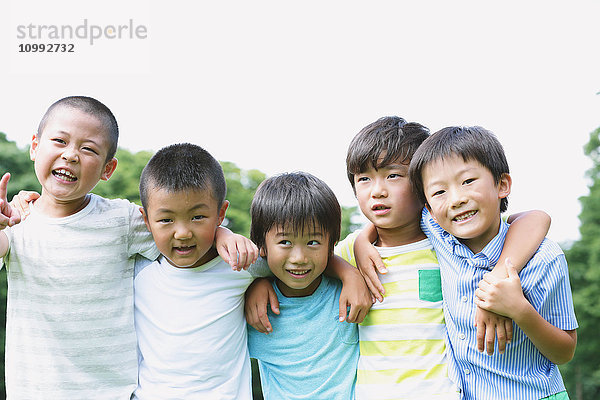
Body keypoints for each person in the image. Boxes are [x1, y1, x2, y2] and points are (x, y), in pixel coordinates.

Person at [0, 97, 255, 399]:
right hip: (33, 392)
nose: (70, 155)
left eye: (88, 148)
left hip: (113, 393)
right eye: (59, 141)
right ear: (34, 147)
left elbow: (179, 230)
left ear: (108, 169)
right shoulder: (16, 222)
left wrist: (221, 234)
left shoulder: (122, 220)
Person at [406, 126, 577, 399]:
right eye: (439, 192)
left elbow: (565, 351)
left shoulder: (544, 259)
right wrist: (363, 241)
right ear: (428, 209)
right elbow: (387, 221)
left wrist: (519, 309)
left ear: (502, 184)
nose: (457, 199)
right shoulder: (440, 236)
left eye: (468, 181)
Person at [132, 143, 267, 399]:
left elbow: (297, 263)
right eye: (166, 220)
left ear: (220, 213)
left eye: (197, 217)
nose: (182, 232)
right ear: (146, 220)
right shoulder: (137, 268)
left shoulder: (241, 263)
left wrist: (347, 273)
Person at [246, 172, 359, 399]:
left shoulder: (349, 295)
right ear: (262, 245)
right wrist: (255, 284)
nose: (299, 257)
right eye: (285, 242)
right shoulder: (251, 305)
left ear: (332, 244)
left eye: (313, 242)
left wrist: (351, 275)